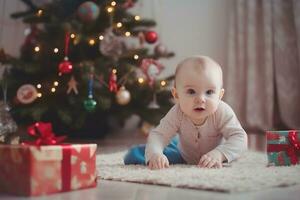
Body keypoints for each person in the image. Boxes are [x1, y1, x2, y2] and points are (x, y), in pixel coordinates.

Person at [124, 55, 248, 169]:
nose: (200, 99)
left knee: (232, 151)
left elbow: (240, 138)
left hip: (213, 156)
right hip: (183, 155)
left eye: (209, 92)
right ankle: (169, 145)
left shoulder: (222, 111)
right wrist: (156, 154)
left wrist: (220, 154)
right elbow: (159, 135)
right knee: (133, 156)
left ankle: (175, 141)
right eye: (191, 92)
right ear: (176, 95)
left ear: (220, 96)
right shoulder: (177, 112)